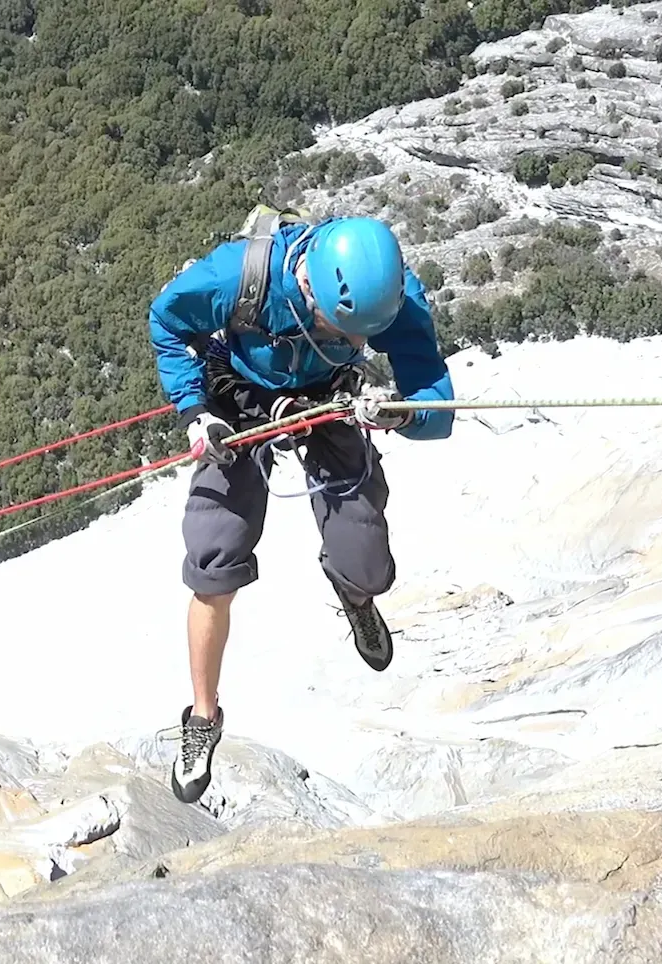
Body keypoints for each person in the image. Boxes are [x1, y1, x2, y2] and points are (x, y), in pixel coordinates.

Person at [147, 210, 455, 804]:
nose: (358, 342)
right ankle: (202, 719)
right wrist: (194, 411)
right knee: (214, 558)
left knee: (367, 562)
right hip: (235, 397)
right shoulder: (237, 279)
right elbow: (168, 320)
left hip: (330, 398)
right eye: (342, 329)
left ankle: (354, 592)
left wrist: (400, 412)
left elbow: (434, 402)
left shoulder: (393, 296)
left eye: (363, 335)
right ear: (309, 285)